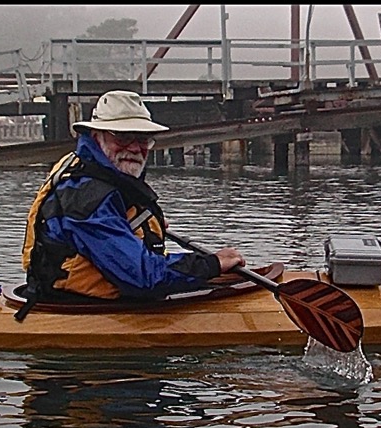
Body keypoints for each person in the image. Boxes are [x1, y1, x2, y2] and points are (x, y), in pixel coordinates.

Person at [16, 90, 245, 320]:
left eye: (142, 138)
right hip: (80, 307)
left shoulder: (95, 168)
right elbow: (143, 277)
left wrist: (138, 228)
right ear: (97, 136)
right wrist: (212, 264)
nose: (135, 148)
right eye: (123, 137)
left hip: (105, 297)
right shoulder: (86, 198)